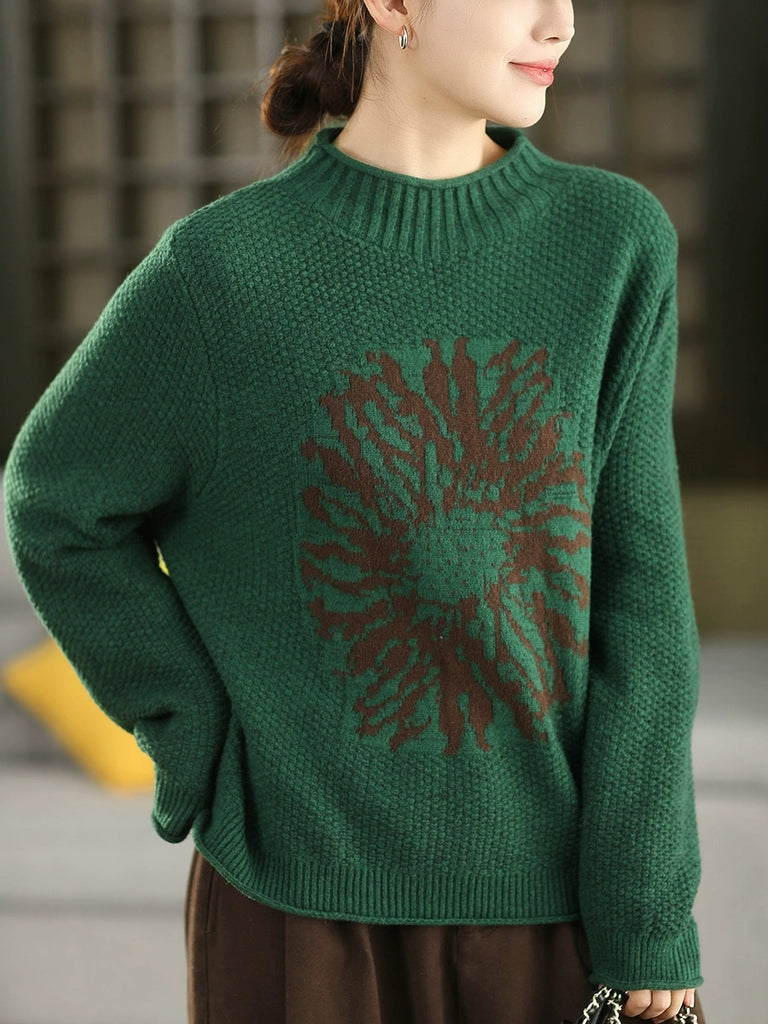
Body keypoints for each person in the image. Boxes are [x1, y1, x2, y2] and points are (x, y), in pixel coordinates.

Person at [3, 0, 708, 1021]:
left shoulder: (612, 243)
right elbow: (55, 504)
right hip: (295, 918)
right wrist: (194, 731)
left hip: (553, 919)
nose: (560, 23)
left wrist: (648, 909)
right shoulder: (221, 273)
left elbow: (644, 613)